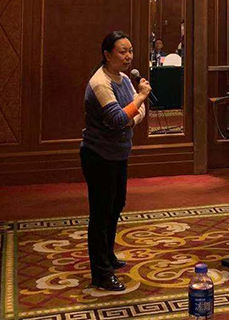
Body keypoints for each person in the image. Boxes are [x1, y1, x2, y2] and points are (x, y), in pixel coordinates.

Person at [80, 31, 150, 291]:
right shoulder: (100, 83)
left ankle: (108, 256)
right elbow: (119, 118)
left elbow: (134, 115)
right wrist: (139, 99)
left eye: (130, 50)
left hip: (119, 153)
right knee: (100, 214)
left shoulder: (124, 79)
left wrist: (130, 114)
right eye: (122, 51)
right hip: (98, 155)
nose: (128, 56)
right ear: (107, 55)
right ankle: (100, 273)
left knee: (116, 205)